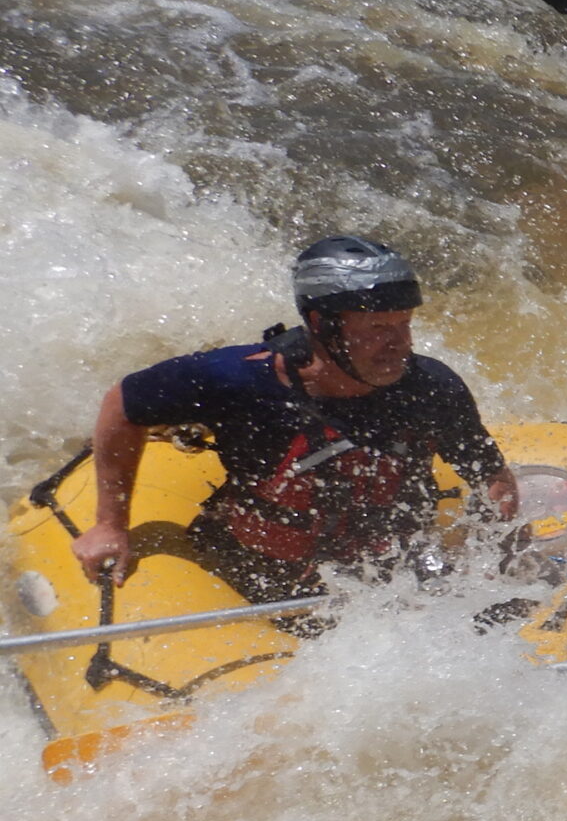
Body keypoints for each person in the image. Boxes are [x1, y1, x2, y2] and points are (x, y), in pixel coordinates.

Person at [68, 236, 518, 603]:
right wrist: (110, 524)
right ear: (322, 324)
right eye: (378, 328)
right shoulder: (238, 379)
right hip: (261, 579)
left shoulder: (432, 387)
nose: (399, 343)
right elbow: (123, 405)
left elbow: (491, 479)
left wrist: (496, 555)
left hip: (392, 580)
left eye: (404, 324)